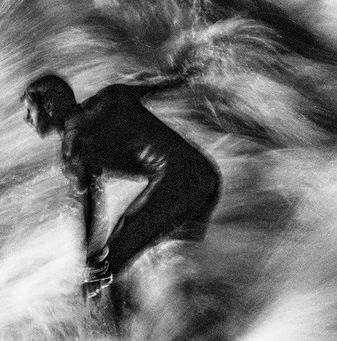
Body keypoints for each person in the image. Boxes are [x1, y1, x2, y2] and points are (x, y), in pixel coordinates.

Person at [22, 73, 221, 311]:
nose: (26, 118)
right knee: (173, 258)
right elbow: (165, 82)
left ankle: (123, 333)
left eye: (29, 110)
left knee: (104, 271)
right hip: (207, 174)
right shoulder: (112, 95)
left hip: (177, 183)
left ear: (48, 106)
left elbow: (91, 206)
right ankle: (205, 314)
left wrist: (91, 262)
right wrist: (190, 73)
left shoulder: (73, 146)